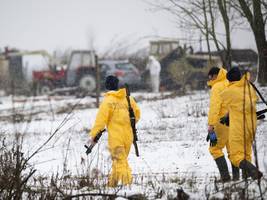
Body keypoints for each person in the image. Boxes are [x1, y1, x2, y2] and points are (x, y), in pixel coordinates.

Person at [88, 75, 141, 187]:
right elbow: (137, 115)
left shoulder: (108, 101)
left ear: (107, 86)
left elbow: (100, 122)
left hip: (116, 138)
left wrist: (93, 136)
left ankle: (129, 185)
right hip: (128, 137)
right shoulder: (128, 98)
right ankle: (111, 185)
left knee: (120, 162)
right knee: (119, 161)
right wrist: (127, 124)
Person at [220, 67, 263, 180]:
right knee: (246, 153)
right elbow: (242, 104)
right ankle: (247, 179)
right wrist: (228, 116)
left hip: (239, 127)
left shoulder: (229, 91)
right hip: (251, 126)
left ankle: (253, 171)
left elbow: (224, 97)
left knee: (236, 156)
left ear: (230, 80)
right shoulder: (248, 87)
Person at [206, 67, 239, 182]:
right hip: (234, 120)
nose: (209, 79)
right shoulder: (230, 82)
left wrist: (211, 124)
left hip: (222, 121)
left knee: (214, 149)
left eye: (210, 77)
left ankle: (225, 177)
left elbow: (215, 107)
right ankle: (236, 178)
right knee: (233, 150)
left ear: (215, 75)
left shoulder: (217, 87)